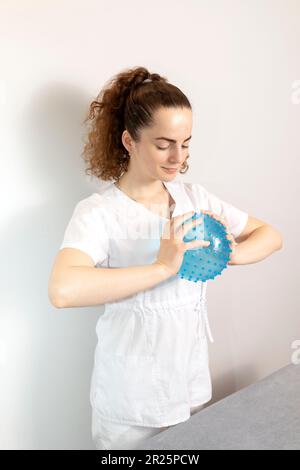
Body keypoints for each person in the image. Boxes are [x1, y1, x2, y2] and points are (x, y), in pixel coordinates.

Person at [48, 66, 282, 450]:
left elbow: (271, 236)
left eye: (186, 142)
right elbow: (63, 289)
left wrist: (228, 252)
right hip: (129, 406)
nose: (178, 157)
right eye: (164, 144)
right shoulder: (99, 213)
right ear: (129, 140)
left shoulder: (196, 199)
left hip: (189, 389)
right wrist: (161, 267)